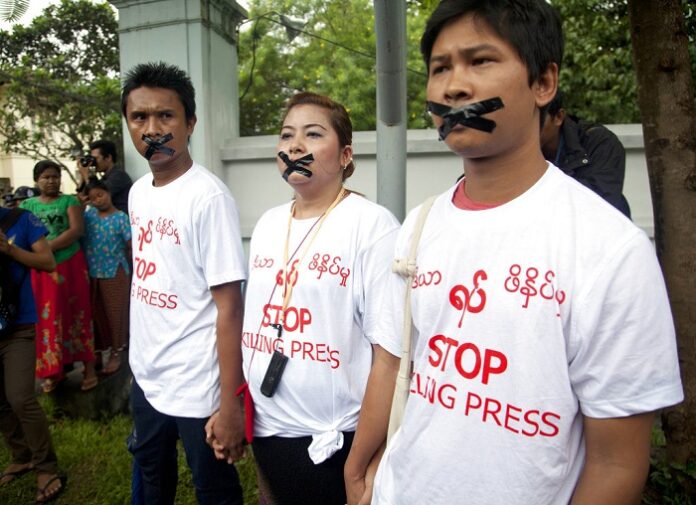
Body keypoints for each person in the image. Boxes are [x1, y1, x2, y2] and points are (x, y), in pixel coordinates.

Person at [344, 1, 683, 504]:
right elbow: (392, 364)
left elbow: (616, 462)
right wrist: (356, 473)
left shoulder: (610, 250)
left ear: (544, 83)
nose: (454, 86)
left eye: (480, 61)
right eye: (440, 68)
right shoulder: (419, 225)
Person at [207, 91, 399, 505]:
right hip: (267, 427)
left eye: (313, 135)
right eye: (286, 135)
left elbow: (391, 355)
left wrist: (363, 460)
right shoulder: (269, 224)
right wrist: (234, 405)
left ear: (345, 154)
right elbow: (255, 323)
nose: (294, 146)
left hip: (331, 439)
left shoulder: (372, 226)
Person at [123, 61, 245, 505]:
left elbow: (230, 306)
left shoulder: (207, 198)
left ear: (190, 123)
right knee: (152, 477)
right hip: (148, 377)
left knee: (212, 488)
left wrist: (230, 403)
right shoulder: (138, 193)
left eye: (166, 116)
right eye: (139, 117)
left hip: (199, 385)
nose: (152, 128)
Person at [0, 204, 65, 502]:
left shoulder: (20, 220)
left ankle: (46, 466)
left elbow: (47, 261)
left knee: (20, 397)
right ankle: (22, 455)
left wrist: (9, 250)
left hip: (18, 326)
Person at [20, 161, 98, 393]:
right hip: (41, 270)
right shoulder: (27, 205)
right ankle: (54, 372)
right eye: (46, 177)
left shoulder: (69, 202)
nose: (51, 181)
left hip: (70, 265)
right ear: (36, 181)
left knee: (78, 315)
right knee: (48, 320)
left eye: (55, 177)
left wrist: (47, 247)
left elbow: (76, 230)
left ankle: (89, 369)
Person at [540, 90, 631, 217]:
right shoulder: (516, 148)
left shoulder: (599, 143)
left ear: (559, 117)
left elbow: (600, 205)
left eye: (538, 121)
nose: (528, 129)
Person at [83, 178, 132, 375]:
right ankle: (95, 354)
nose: (98, 200)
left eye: (100, 195)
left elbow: (131, 246)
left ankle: (115, 354)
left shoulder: (121, 218)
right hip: (92, 273)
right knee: (95, 315)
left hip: (116, 273)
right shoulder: (88, 217)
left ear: (108, 193)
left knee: (116, 314)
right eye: (93, 198)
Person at [76, 140, 133, 214]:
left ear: (108, 158)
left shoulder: (119, 176)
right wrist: (82, 177)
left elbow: (97, 196)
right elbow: (82, 199)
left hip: (119, 222)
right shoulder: (104, 178)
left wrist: (86, 176)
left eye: (95, 159)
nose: (93, 162)